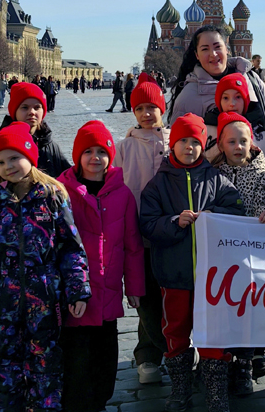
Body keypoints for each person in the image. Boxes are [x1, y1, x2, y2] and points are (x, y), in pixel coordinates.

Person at [0, 121, 91, 411]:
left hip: (45, 303)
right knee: (4, 369)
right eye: (1, 162)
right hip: (2, 304)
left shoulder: (52, 196)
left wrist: (78, 290)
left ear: (30, 156)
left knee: (45, 368)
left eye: (14, 158)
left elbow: (70, 248)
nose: (8, 166)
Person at [140, 113, 244, 412]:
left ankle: (216, 392)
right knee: (175, 332)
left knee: (214, 333)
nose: (189, 147)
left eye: (195, 142)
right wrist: (174, 222)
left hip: (212, 279)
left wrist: (214, 215)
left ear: (203, 145)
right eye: (183, 141)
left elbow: (237, 210)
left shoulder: (216, 179)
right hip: (174, 275)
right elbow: (148, 224)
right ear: (172, 144)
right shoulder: (157, 185)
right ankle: (181, 388)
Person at [58, 121, 145, 412]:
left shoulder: (123, 194)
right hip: (75, 295)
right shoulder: (61, 192)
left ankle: (98, 402)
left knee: (105, 360)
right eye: (88, 151)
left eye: (102, 151)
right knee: (77, 361)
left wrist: (134, 288)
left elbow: (132, 246)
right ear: (77, 156)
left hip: (108, 294)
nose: (95, 157)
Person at [210, 112, 265, 395]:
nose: (238, 147)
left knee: (249, 311)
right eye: (231, 141)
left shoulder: (262, 175)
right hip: (222, 257)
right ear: (221, 145)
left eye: (243, 141)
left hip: (252, 257)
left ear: (252, 143)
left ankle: (245, 363)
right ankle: (223, 361)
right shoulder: (213, 175)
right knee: (223, 310)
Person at [114, 73, 171, 385]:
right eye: (140, 109)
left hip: (174, 232)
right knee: (146, 295)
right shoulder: (125, 147)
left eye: (152, 107)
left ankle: (178, 344)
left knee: (173, 293)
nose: (147, 114)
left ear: (163, 108)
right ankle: (149, 353)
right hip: (140, 234)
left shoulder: (175, 141)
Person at [168, 25, 265, 162]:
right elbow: (178, 144)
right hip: (213, 173)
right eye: (205, 49)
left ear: (226, 48)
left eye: (217, 47)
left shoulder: (251, 80)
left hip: (263, 169)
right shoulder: (189, 96)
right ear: (197, 55)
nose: (213, 54)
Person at [0, 82, 71, 213]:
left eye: (37, 107)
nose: (31, 112)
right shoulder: (2, 145)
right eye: (24, 107)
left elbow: (69, 181)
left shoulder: (49, 145)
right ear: (14, 111)